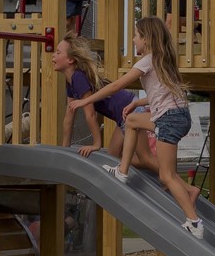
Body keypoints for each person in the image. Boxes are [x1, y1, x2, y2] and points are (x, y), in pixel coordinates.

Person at [69, 17, 205, 238]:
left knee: (166, 175)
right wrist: (136, 102)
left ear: (146, 39)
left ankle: (194, 221)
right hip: (177, 116)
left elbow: (115, 86)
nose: (133, 40)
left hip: (169, 119)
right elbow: (160, 95)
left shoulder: (147, 61)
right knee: (131, 121)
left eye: (136, 36)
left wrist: (86, 100)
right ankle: (123, 171)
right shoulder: (163, 60)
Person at [53, 36, 150, 168]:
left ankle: (169, 176)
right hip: (123, 115)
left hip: (131, 110)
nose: (53, 55)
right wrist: (65, 150)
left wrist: (96, 144)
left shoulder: (78, 78)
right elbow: (69, 117)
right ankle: (163, 174)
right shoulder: (71, 81)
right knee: (113, 155)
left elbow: (90, 114)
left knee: (145, 158)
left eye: (58, 53)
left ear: (70, 59)